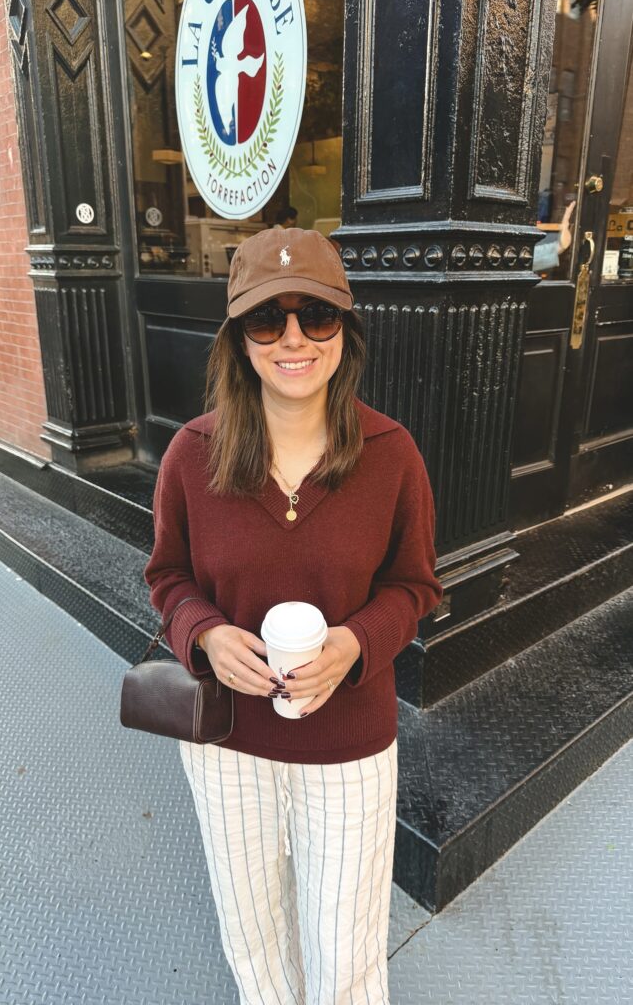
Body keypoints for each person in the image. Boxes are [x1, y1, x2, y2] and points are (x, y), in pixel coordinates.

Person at [143, 227, 443, 1005]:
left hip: (347, 748)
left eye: (316, 315)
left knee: (344, 959)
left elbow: (415, 587)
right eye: (265, 320)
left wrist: (357, 642)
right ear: (238, 339)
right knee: (254, 943)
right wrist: (202, 632)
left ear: (345, 328)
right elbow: (166, 576)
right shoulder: (191, 456)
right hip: (226, 745)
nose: (293, 339)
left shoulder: (391, 454)